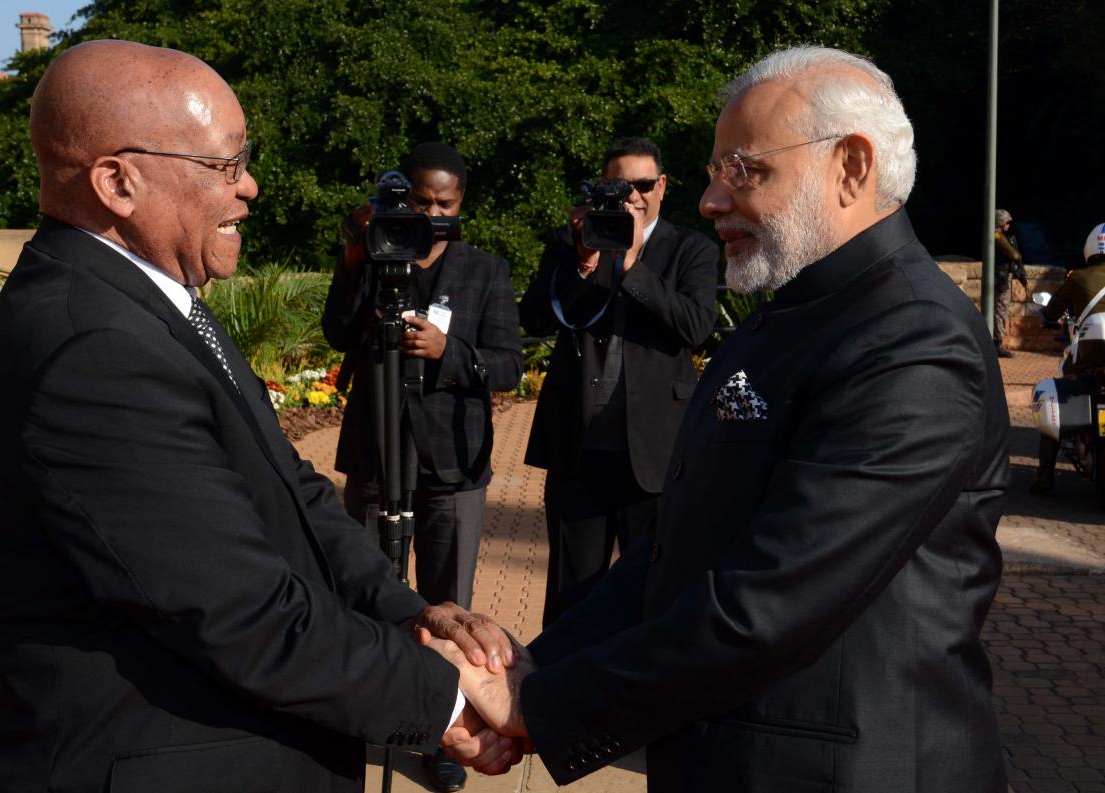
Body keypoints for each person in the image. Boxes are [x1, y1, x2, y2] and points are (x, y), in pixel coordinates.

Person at [439, 45, 1011, 793]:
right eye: (714, 172)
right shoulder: (788, 316)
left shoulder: (916, 344)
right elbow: (673, 550)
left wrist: (537, 704)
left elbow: (768, 601)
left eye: (745, 170)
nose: (709, 201)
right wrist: (536, 664)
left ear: (851, 166)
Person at [0, 40, 514, 793]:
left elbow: (294, 490)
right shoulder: (91, 348)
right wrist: (444, 697)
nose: (249, 186)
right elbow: (244, 612)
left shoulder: (152, 301)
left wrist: (412, 613)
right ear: (119, 180)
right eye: (224, 164)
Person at [321, 141, 522, 790]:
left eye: (446, 203)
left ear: (461, 205)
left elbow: (510, 366)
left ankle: (443, 728)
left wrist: (448, 350)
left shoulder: (484, 270)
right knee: (368, 599)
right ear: (399, 196)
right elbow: (336, 331)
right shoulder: (376, 259)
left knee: (447, 607)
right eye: (421, 200)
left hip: (452, 463)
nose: (432, 213)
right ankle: (366, 714)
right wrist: (355, 257)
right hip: (377, 457)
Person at [517, 137, 718, 626]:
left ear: (662, 186)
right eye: (620, 184)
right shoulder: (570, 242)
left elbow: (695, 325)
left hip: (653, 454)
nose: (633, 195)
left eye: (644, 184)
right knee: (571, 597)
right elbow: (536, 319)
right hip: (579, 450)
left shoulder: (691, 248)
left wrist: (630, 263)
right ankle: (559, 695)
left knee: (652, 594)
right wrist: (584, 259)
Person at [1029, 222, 1105, 494]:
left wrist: (1048, 318)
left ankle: (1044, 477)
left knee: (1056, 398)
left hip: (1087, 363)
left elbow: (1052, 310)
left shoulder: (1077, 278)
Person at [993, 208, 1028, 358]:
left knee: (1000, 310)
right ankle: (996, 343)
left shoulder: (1005, 237)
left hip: (1001, 278)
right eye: (1005, 223)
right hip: (999, 279)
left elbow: (1016, 259)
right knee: (1000, 311)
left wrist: (1021, 276)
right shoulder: (997, 236)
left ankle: (996, 342)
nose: (1008, 226)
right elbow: (1014, 255)